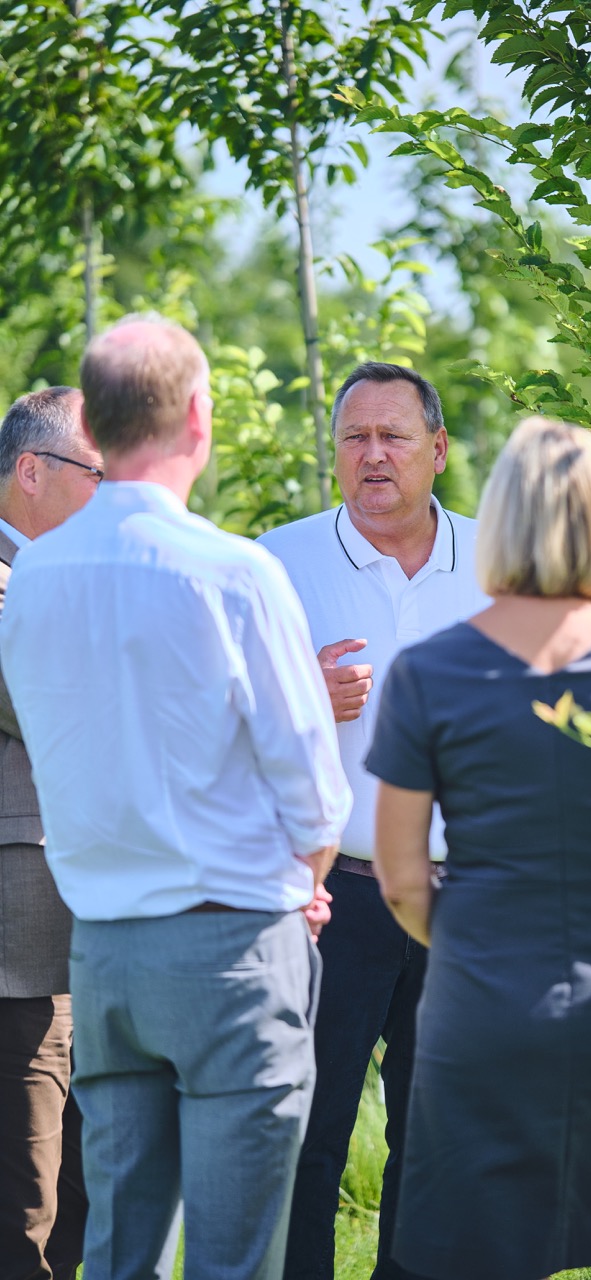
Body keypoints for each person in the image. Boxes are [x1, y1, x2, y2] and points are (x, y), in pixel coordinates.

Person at [0, 317, 352, 1280]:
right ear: (198, 418)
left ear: (101, 427)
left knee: (120, 1250)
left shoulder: (28, 585)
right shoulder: (236, 571)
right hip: (231, 944)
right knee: (235, 1258)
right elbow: (316, 794)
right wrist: (306, 888)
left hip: (104, 952)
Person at [366, 417, 591, 1280]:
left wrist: (480, 938)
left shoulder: (428, 670)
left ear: (498, 519)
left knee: (479, 1250)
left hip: (482, 996)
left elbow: (402, 879)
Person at [259, 361, 488, 1280]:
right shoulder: (278, 561)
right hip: (329, 898)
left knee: (435, 1144)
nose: (373, 455)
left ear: (436, 449)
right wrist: (299, 695)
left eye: (394, 436)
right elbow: (211, 718)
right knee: (305, 1139)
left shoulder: (500, 560)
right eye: (355, 437)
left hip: (463, 899)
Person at [0, 387, 100, 1280]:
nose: (112, 494)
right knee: (24, 1200)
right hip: (18, 948)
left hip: (104, 937)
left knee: (88, 1191)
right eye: (95, 473)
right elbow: (39, 702)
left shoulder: (80, 577)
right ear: (31, 471)